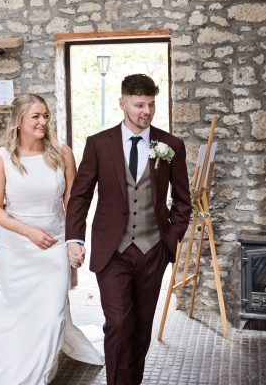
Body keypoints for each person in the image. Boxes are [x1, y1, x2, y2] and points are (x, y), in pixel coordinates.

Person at [0, 94, 104, 385]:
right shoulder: (1, 158)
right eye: (35, 116)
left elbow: (73, 205)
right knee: (15, 316)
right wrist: (28, 231)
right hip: (17, 248)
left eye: (46, 115)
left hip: (54, 246)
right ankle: (7, 371)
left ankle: (34, 376)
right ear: (19, 121)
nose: (43, 121)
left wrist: (75, 241)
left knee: (51, 316)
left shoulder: (62, 153)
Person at [65, 74, 192, 385]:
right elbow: (80, 195)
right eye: (138, 105)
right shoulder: (98, 144)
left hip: (153, 251)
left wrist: (169, 239)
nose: (145, 111)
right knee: (119, 323)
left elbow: (183, 200)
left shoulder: (170, 145)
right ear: (122, 104)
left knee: (140, 328)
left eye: (150, 105)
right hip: (113, 251)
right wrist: (74, 238)